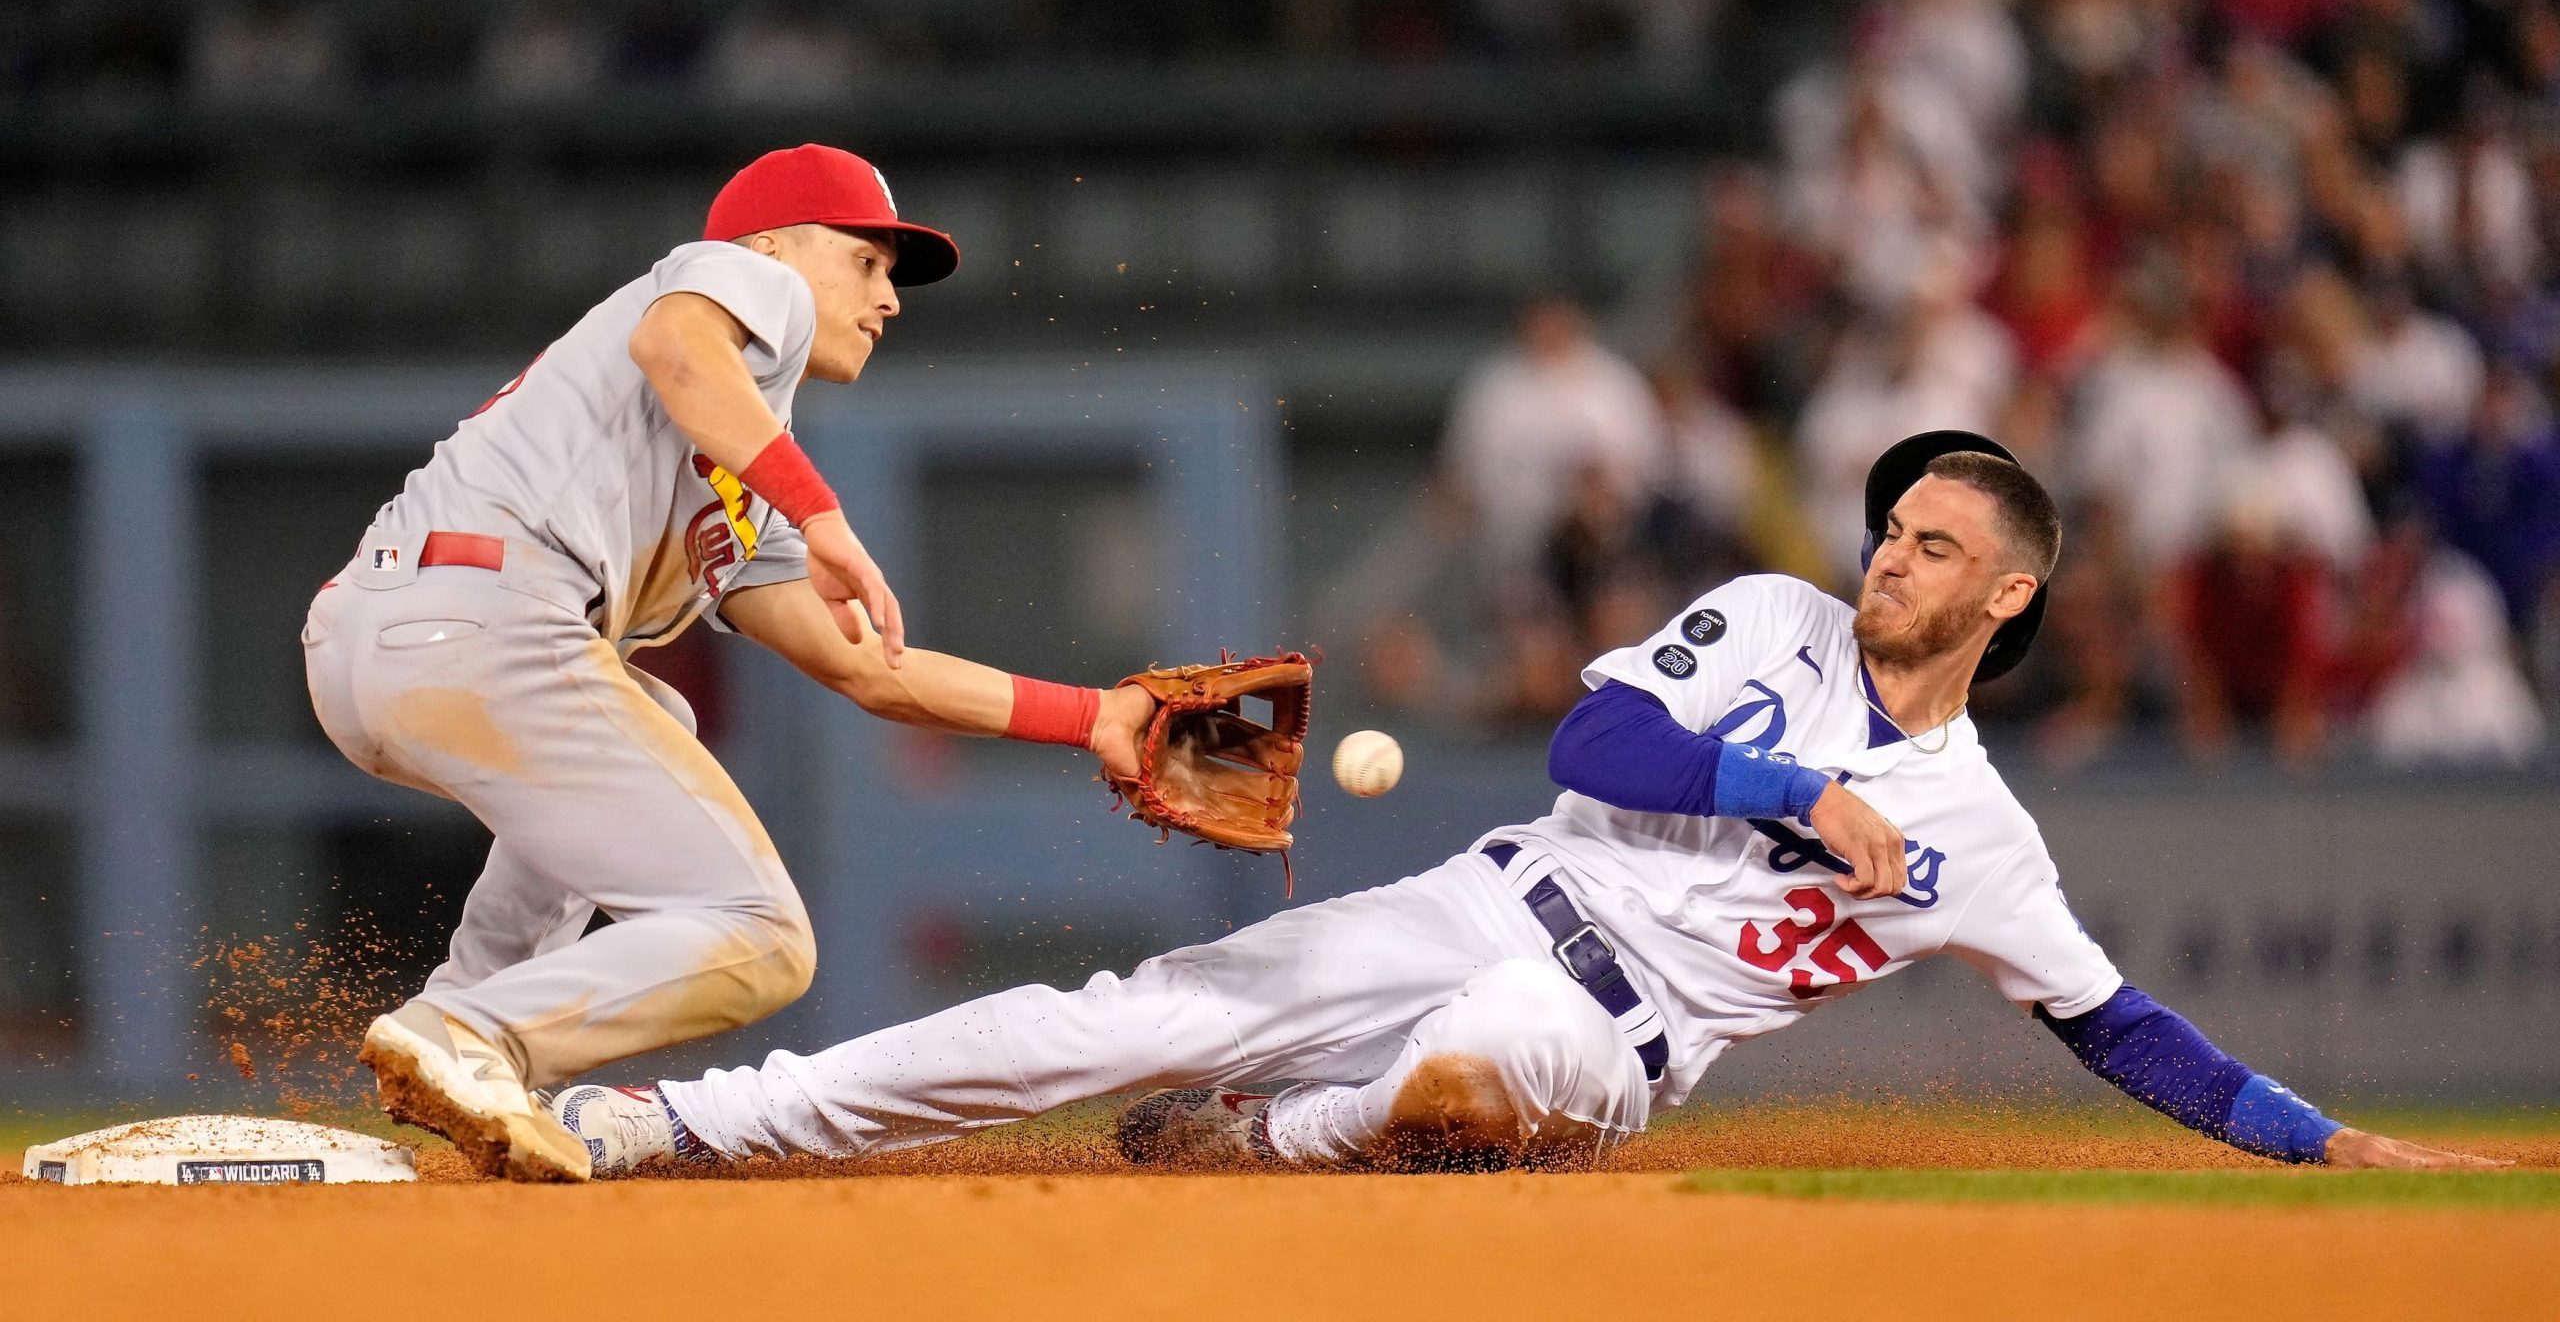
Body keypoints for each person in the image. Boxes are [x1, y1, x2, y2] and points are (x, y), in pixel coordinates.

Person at [550, 433, 2501, 1178]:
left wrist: (2319, 1145)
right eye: (1891, 525)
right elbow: (1595, 757)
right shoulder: (1770, 622)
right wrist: (1792, 786)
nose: (1888, 557)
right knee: (1105, 1017)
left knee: (1472, 1069)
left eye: (1933, 547)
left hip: (1603, 1031)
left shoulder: (1985, 842)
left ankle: (1277, 1141)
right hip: (1487, 892)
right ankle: (674, 1124)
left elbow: (2111, 1024)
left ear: (2005, 598)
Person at [304, 144, 1156, 1180]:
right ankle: (473, 1034)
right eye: (868, 262)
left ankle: (461, 1029)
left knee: (659, 708)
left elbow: (868, 670)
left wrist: (1092, 719)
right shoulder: (746, 290)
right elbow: (677, 344)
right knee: (761, 935)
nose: (887, 299)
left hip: (384, 637)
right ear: (771, 245)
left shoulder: (733, 455)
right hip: (482, 619)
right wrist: (819, 506)